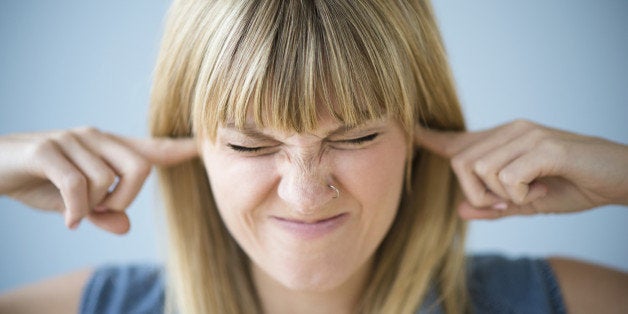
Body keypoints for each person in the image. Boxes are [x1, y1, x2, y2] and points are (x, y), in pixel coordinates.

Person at [1, 0, 627, 313]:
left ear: (417, 136)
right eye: (251, 144)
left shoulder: (551, 300)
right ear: (190, 145)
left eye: (355, 138)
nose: (304, 193)